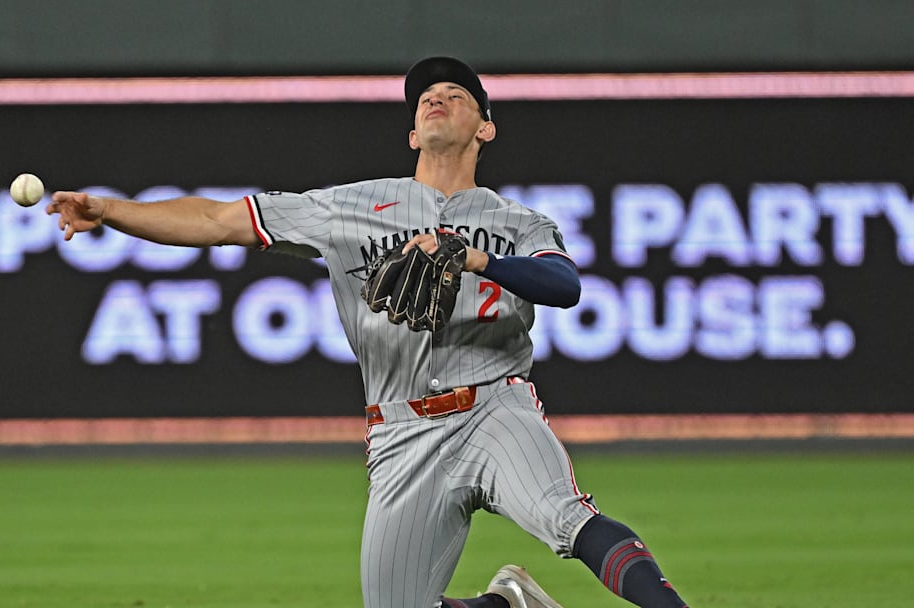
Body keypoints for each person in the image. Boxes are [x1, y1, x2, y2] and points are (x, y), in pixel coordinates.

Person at [47, 56, 690, 608]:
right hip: (401, 429)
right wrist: (107, 210)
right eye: (425, 98)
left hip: (496, 407)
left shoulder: (518, 221)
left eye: (456, 94)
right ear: (413, 132)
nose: (437, 99)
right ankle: (505, 603)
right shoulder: (349, 208)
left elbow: (565, 286)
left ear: (485, 127)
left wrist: (475, 258)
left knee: (566, 517)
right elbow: (217, 219)